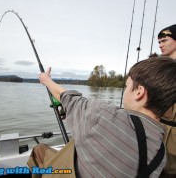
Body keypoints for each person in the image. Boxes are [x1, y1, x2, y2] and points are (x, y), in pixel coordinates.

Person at [28, 57, 176, 178]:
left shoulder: (104, 115)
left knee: (39, 151)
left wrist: (46, 80)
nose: (125, 91)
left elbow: (67, 97)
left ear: (139, 92)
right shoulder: (161, 152)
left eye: (126, 86)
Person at [157, 24, 176, 177]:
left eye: (164, 40)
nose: (161, 45)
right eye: (159, 42)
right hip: (158, 128)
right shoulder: (159, 67)